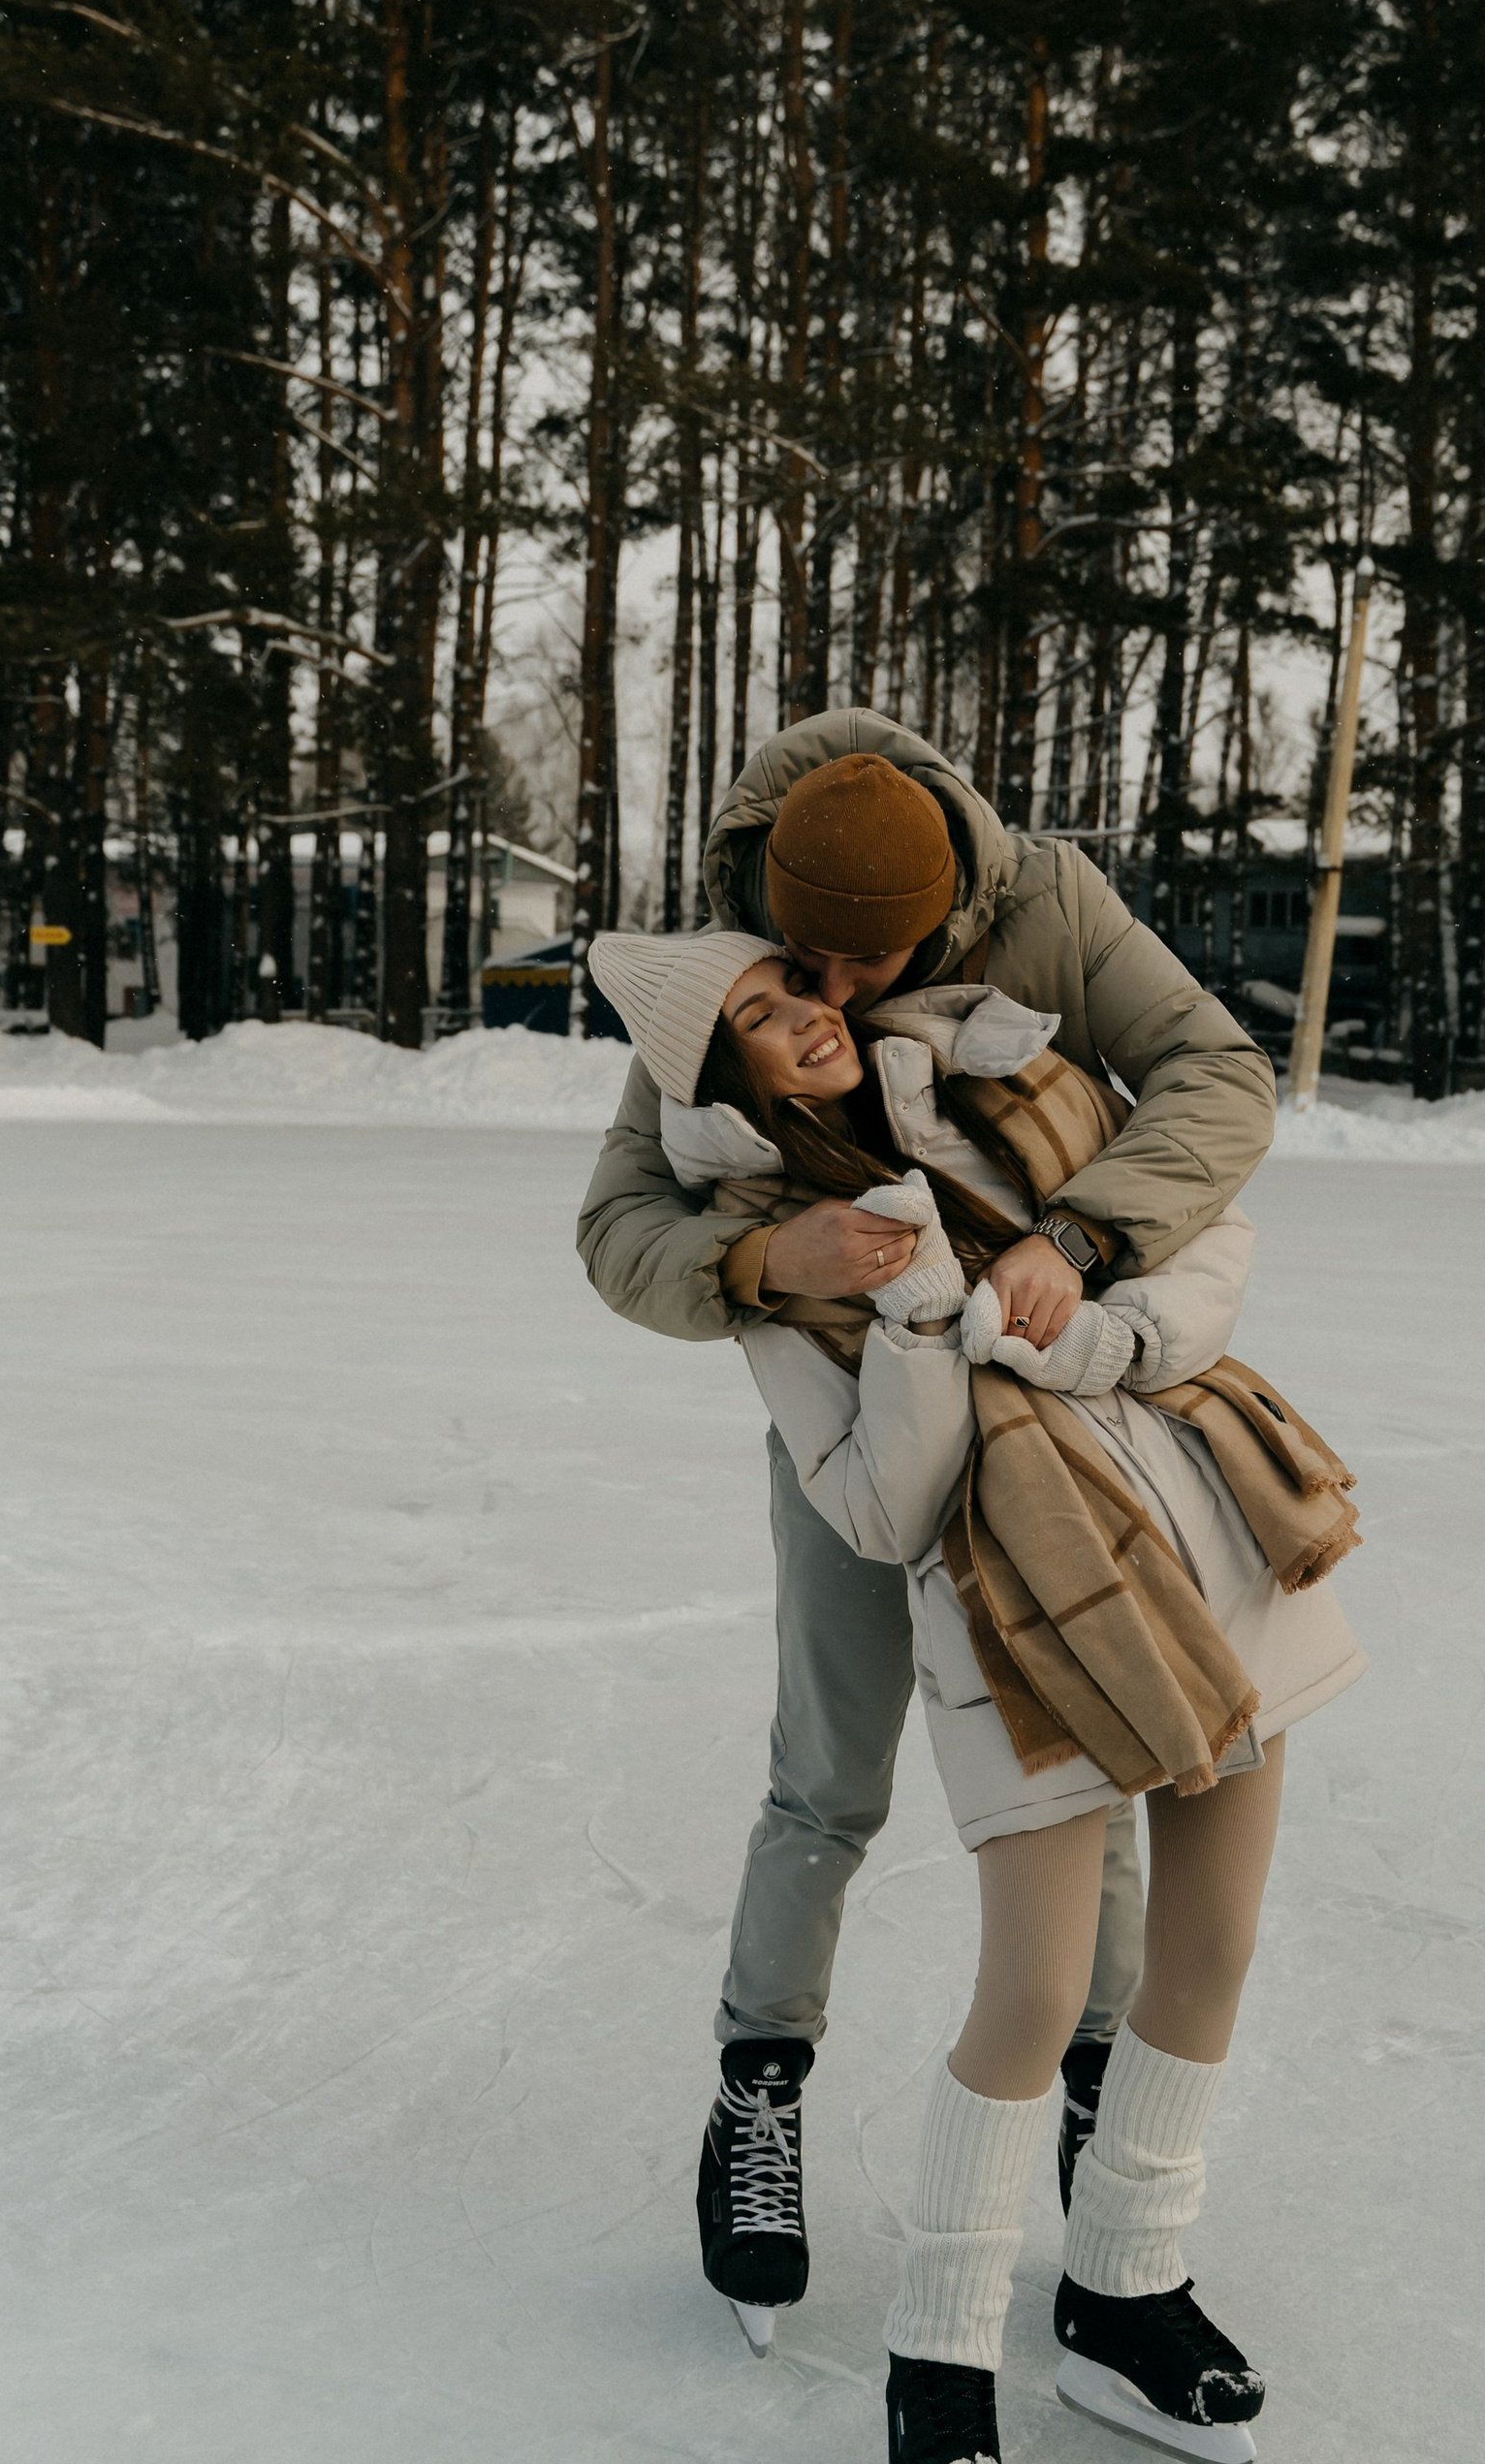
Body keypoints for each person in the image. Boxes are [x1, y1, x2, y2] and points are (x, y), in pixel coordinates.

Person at [587, 927, 1365, 2464]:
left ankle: (1126, 2288)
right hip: (1018, 1589)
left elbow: (1204, 1223)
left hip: (1209, 1534)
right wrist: (911, 1314)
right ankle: (904, 2307)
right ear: (722, 1077)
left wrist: (1092, 1309)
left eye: (801, 985)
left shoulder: (1001, 1063)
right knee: (932, 1889)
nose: (809, 1014)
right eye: (761, 1017)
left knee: (1208, 1949)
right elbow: (883, 1496)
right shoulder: (768, 1236)